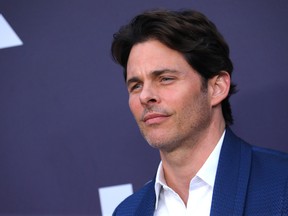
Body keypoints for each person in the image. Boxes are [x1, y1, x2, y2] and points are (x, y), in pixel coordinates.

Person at [111, 9, 288, 215]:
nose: (145, 96)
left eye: (165, 78)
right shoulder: (126, 212)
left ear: (217, 88)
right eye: (136, 86)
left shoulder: (281, 184)